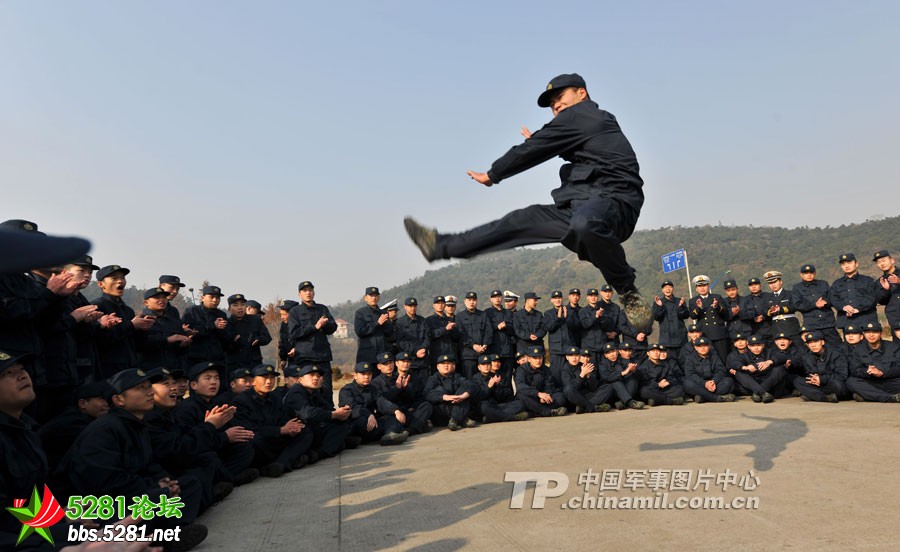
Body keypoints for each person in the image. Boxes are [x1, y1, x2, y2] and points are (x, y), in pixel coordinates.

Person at [404, 72, 652, 329]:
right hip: (582, 204)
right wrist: (542, 140)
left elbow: (531, 152)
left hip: (614, 202)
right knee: (520, 221)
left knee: (584, 224)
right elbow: (558, 145)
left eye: (560, 96)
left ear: (582, 93)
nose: (556, 105)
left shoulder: (583, 115)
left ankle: (628, 291)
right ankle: (440, 246)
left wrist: (493, 174)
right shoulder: (582, 124)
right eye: (552, 103)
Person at [232, 364, 314, 476]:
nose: (269, 381)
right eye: (264, 378)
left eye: (272, 378)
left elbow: (283, 419)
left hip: (276, 438)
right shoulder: (241, 401)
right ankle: (288, 460)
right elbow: (249, 429)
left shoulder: (275, 397)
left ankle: (281, 463)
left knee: (305, 431)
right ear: (253, 381)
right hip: (261, 441)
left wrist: (291, 427)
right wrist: (280, 430)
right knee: (254, 439)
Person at [283, 364, 355, 458]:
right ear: (300, 379)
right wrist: (333, 415)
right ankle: (322, 451)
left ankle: (321, 452)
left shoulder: (314, 392)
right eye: (311, 376)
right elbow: (308, 413)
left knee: (342, 423)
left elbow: (328, 409)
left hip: (313, 427)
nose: (315, 378)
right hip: (296, 431)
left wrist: (342, 413)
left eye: (318, 376)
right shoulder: (296, 392)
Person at [339, 361, 409, 444]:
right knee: (362, 421)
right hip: (355, 422)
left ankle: (389, 435)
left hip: (372, 421)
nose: (366, 377)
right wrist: (369, 414)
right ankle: (390, 433)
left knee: (391, 417)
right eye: (363, 374)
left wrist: (395, 410)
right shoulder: (346, 390)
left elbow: (381, 402)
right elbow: (352, 408)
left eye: (369, 374)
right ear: (355, 376)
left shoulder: (372, 389)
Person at [371, 351, 434, 435]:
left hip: (403, 411)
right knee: (391, 420)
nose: (389, 366)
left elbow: (408, 398)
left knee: (426, 406)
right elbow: (382, 401)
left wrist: (404, 389)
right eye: (385, 364)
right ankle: (417, 426)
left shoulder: (398, 378)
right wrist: (397, 389)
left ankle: (410, 430)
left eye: (390, 363)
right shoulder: (376, 382)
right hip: (390, 413)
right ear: (379, 366)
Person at [845, 322, 900, 403]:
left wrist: (882, 373)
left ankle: (869, 396)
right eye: (868, 332)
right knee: (851, 382)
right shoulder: (858, 349)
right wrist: (867, 371)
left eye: (875, 332)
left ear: (881, 333)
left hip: (890, 381)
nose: (871, 335)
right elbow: (855, 370)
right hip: (871, 382)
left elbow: (898, 367)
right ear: (863, 334)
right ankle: (890, 398)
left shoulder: (893, 347)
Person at [791, 264, 841, 348]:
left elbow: (832, 299)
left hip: (828, 323)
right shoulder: (797, 288)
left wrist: (825, 302)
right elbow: (797, 305)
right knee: (816, 350)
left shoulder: (823, 284)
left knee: (838, 347)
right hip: (812, 325)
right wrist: (815, 304)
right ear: (801, 275)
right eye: (806, 273)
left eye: (811, 272)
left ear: (815, 273)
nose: (809, 275)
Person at [468, 354, 529, 422]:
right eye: (483, 364)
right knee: (484, 407)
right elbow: (479, 397)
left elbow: (503, 396)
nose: (486, 366)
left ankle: (492, 418)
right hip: (487, 405)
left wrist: (497, 386)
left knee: (520, 404)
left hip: (498, 405)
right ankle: (512, 417)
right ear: (479, 367)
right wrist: (489, 386)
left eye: (488, 364)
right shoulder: (475, 378)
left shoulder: (496, 376)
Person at [182, 285, 233, 366]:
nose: (215, 300)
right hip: (196, 358)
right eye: (212, 297)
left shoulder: (221, 314)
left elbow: (226, 338)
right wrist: (213, 325)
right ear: (203, 298)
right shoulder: (192, 311)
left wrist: (223, 330)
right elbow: (189, 330)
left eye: (217, 298)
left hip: (217, 359)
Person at [424, 354, 476, 430]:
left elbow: (470, 385)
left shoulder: (457, 376)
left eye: (448, 363)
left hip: (456, 406)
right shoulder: (433, 379)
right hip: (442, 412)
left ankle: (455, 420)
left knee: (465, 389)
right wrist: (445, 397)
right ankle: (461, 419)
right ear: (438, 367)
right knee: (440, 390)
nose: (446, 366)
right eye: (443, 364)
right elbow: (426, 393)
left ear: (453, 366)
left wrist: (464, 395)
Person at [793, 331, 848, 403]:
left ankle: (812, 395)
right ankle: (825, 398)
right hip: (817, 384)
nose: (813, 345)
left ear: (822, 342)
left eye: (815, 341)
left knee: (838, 385)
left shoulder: (835, 354)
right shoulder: (807, 356)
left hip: (831, 383)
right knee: (798, 381)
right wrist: (814, 379)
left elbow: (842, 375)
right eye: (810, 343)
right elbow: (808, 372)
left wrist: (822, 379)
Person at [829, 253, 880, 330]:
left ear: (856, 264)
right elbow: (834, 299)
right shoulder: (836, 284)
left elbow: (871, 298)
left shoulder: (868, 280)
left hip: (866, 320)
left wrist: (858, 309)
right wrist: (844, 307)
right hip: (846, 321)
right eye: (843, 264)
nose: (846, 266)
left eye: (849, 263)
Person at [682, 337, 736, 403]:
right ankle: (715, 398)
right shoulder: (690, 358)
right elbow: (690, 374)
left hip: (714, 384)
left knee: (729, 381)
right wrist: (704, 383)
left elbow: (721, 370)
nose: (703, 348)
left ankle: (703, 397)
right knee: (688, 384)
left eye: (705, 346)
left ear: (709, 346)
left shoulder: (714, 356)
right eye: (700, 346)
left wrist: (714, 381)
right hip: (700, 384)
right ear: (695, 348)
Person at [688, 275, 729, 362]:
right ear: (696, 288)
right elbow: (692, 315)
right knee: (708, 360)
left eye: (704, 285)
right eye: (699, 286)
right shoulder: (693, 301)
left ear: (708, 286)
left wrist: (717, 306)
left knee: (723, 358)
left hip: (718, 334)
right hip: (705, 334)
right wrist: (699, 308)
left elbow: (726, 314)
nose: (702, 288)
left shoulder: (717, 297)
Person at [561, 346, 612, 414]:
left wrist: (588, 376)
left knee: (608, 388)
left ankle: (583, 407)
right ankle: (592, 407)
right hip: (576, 397)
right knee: (568, 389)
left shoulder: (584, 366)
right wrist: (582, 375)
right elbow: (572, 388)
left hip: (587, 395)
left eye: (576, 355)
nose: (574, 358)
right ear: (567, 357)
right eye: (571, 355)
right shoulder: (565, 370)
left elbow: (593, 388)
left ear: (579, 357)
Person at [456, 292, 491, 379]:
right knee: (469, 380)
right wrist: (473, 345)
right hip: (468, 355)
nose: (472, 302)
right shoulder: (459, 317)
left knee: (484, 381)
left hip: (483, 354)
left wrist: (485, 344)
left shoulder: (483, 315)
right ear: (465, 301)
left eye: (474, 300)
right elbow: (460, 335)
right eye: (469, 300)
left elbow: (488, 331)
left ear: (477, 301)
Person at [354, 287, 392, 364]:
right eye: (371, 296)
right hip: (367, 355)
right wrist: (377, 323)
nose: (374, 298)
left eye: (376, 296)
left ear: (379, 297)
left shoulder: (383, 313)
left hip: (382, 354)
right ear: (365, 298)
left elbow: (389, 332)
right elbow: (360, 331)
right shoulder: (360, 313)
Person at [394, 297, 430, 374]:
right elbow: (401, 342)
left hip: (423, 361)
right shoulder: (400, 322)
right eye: (410, 306)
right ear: (405, 307)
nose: (412, 308)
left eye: (414, 306)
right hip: (409, 361)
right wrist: (415, 351)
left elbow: (427, 337)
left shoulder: (422, 320)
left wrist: (423, 348)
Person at [652, 280, 690, 349]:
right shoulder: (658, 302)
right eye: (665, 287)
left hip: (681, 338)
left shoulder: (679, 301)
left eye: (670, 287)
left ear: (673, 289)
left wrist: (681, 307)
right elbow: (656, 317)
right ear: (662, 290)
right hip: (666, 339)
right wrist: (660, 306)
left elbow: (686, 316)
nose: (668, 289)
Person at [873, 250, 900, 339]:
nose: (882, 264)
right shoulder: (879, 282)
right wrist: (886, 290)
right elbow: (881, 301)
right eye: (878, 262)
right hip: (895, 320)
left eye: (884, 260)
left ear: (892, 260)